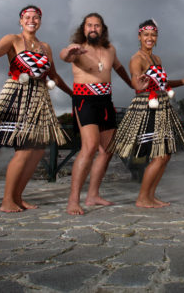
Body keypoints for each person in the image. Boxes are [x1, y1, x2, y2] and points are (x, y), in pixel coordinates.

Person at [0, 5, 72, 212]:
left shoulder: (45, 47)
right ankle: (7, 200)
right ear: (21, 21)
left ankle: (18, 197)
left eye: (36, 17)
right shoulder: (12, 39)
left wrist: (73, 94)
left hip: (39, 98)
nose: (32, 20)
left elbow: (54, 76)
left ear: (40, 21)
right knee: (23, 149)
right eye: (27, 17)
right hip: (17, 95)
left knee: (38, 151)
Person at [108, 19, 184, 208]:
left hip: (162, 107)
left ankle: (151, 196)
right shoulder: (137, 58)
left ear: (157, 37)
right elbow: (135, 80)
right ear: (139, 36)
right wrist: (138, 83)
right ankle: (142, 197)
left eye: (153, 35)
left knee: (165, 154)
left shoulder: (157, 59)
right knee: (159, 155)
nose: (150, 38)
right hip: (147, 107)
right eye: (146, 35)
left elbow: (164, 84)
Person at [60, 13, 134, 215]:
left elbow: (118, 67)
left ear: (103, 29)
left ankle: (93, 195)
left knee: (108, 149)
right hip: (85, 100)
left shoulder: (110, 49)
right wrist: (70, 51)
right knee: (90, 146)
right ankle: (73, 200)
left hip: (105, 101)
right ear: (83, 29)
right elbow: (65, 56)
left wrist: (132, 85)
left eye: (97, 25)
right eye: (89, 25)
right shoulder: (77, 48)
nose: (93, 28)